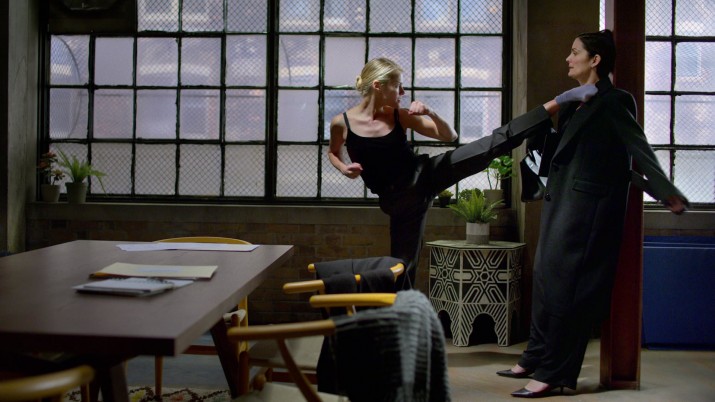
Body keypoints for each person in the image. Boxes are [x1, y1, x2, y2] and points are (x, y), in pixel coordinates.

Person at [495, 30, 689, 398]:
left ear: (595, 59)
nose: (568, 59)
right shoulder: (573, 103)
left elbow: (637, 148)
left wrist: (664, 191)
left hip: (587, 212)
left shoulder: (616, 101)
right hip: (559, 203)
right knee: (544, 280)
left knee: (569, 292)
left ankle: (554, 373)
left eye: (575, 52)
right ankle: (535, 356)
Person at [328, 57, 596, 289]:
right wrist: (343, 168)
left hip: (426, 175)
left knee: (489, 146)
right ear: (378, 86)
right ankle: (399, 324)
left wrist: (431, 112)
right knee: (402, 269)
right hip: (400, 203)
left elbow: (450, 136)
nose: (403, 91)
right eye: (398, 85)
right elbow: (333, 152)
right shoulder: (342, 123)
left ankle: (559, 101)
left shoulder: (399, 116)